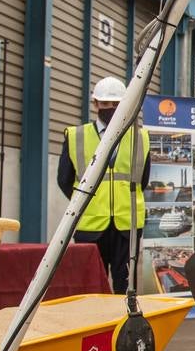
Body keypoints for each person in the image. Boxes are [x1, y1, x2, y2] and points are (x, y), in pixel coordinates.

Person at [57, 76, 151, 294]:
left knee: (125, 286)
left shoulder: (140, 137)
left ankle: (121, 325)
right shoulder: (76, 136)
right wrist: (87, 204)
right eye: (106, 104)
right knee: (90, 286)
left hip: (127, 224)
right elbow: (64, 180)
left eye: (117, 105)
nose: (111, 109)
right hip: (89, 225)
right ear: (95, 104)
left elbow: (142, 180)